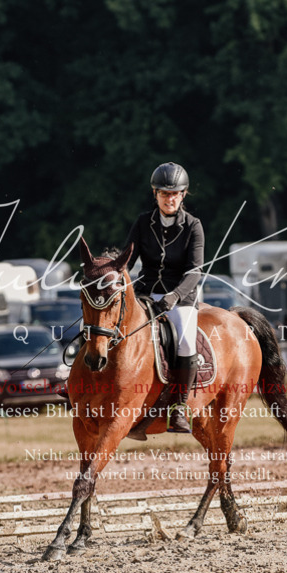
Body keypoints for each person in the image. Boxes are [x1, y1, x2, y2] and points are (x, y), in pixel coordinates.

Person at [124, 162, 204, 433]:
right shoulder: (142, 222)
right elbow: (127, 259)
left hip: (181, 295)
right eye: (164, 193)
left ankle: (178, 408)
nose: (169, 199)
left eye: (175, 194)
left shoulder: (194, 226)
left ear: (183, 195)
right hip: (145, 291)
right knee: (108, 323)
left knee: (183, 338)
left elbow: (195, 271)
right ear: (155, 194)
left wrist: (174, 297)